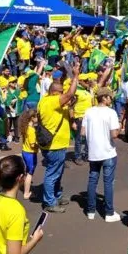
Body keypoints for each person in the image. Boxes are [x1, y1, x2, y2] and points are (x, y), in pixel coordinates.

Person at [37, 61, 80, 213]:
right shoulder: (52, 101)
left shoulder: (46, 101)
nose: (63, 95)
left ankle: (56, 196)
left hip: (57, 144)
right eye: (61, 92)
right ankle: (49, 202)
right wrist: (75, 76)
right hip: (54, 145)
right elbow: (70, 94)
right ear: (55, 93)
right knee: (52, 174)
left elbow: (68, 100)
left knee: (57, 172)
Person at [82, 87, 122, 221]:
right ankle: (109, 212)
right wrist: (120, 127)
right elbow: (114, 135)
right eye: (110, 97)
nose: (111, 99)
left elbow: (82, 132)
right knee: (108, 182)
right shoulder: (111, 113)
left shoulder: (88, 112)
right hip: (108, 151)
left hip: (93, 152)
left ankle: (90, 210)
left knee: (92, 180)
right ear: (104, 98)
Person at [18, 109, 39, 200]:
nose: (38, 118)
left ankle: (22, 184)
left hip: (25, 151)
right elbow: (33, 144)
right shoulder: (31, 131)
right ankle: (26, 193)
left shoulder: (26, 127)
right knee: (30, 173)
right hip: (30, 153)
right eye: (36, 116)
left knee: (27, 171)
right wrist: (40, 143)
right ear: (32, 118)